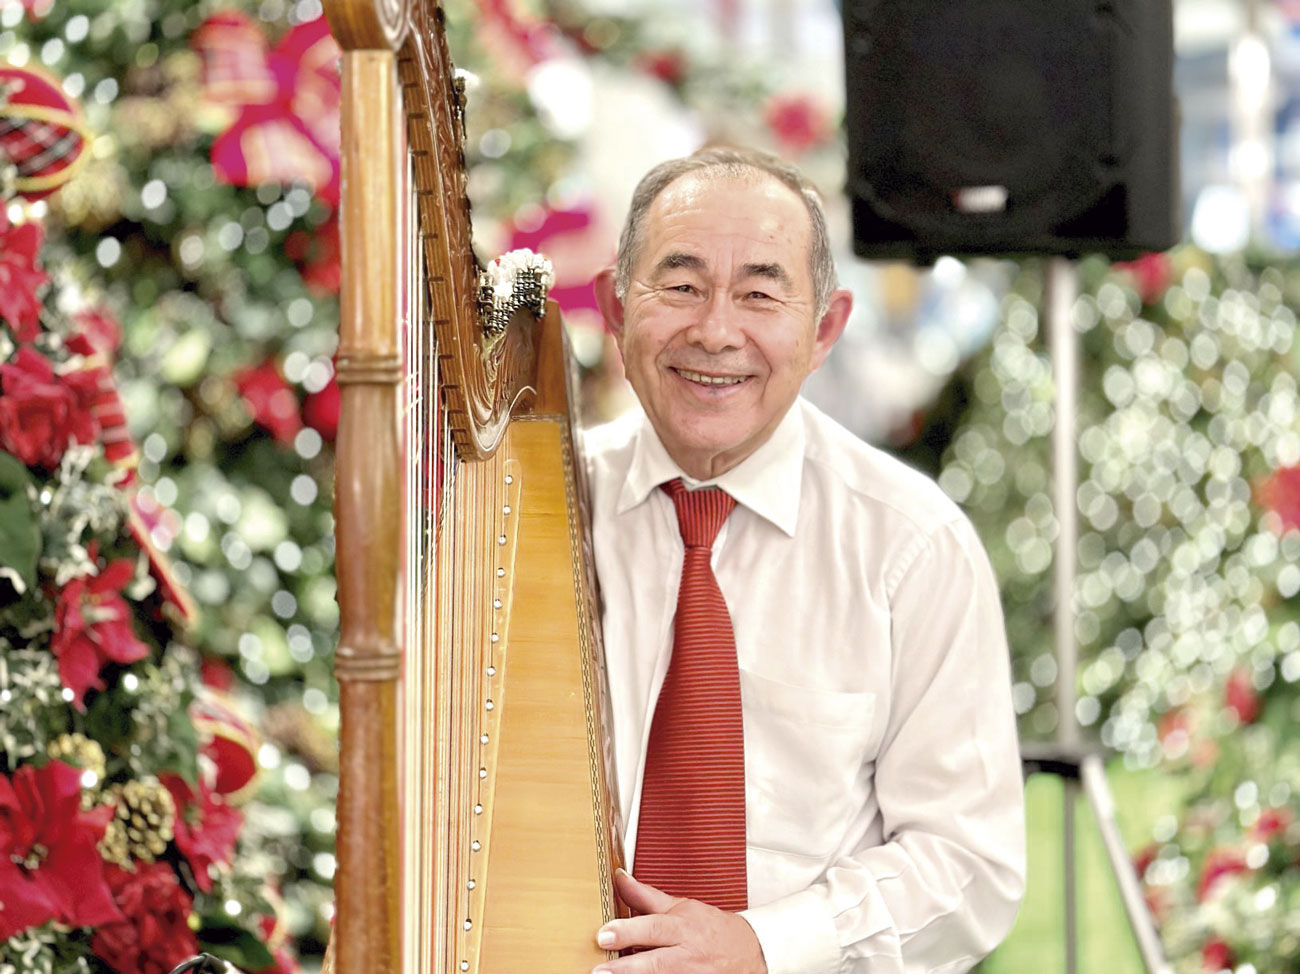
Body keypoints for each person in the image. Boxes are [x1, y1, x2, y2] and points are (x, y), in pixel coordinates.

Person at [583, 146, 1026, 974]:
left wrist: (764, 945)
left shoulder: (911, 546)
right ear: (614, 306)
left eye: (760, 294)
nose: (716, 332)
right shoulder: (538, 504)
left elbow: (968, 866)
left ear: (825, 329)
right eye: (681, 286)